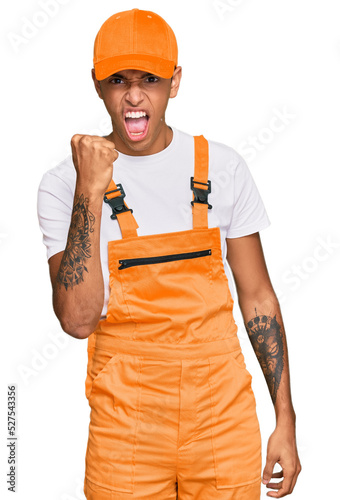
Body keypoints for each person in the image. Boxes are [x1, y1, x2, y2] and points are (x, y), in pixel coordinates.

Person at [37, 8, 301, 500]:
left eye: (149, 80)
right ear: (98, 85)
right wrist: (90, 189)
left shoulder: (221, 168)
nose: (134, 96)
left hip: (223, 422)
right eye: (118, 80)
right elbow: (77, 320)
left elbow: (259, 298)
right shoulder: (63, 185)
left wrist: (285, 419)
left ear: (174, 82)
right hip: (125, 431)